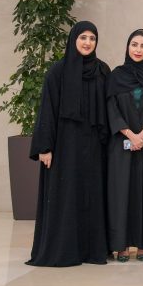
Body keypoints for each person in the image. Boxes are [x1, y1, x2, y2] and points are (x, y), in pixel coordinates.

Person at [27, 20, 110, 267]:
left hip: (94, 147)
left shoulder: (102, 71)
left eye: (92, 38)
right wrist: (45, 147)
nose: (87, 43)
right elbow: (47, 110)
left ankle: (91, 250)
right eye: (83, 37)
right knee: (66, 195)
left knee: (91, 195)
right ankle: (64, 250)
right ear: (73, 39)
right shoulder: (58, 72)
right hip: (65, 146)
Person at [105, 29, 143, 262]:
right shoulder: (116, 76)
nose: (138, 50)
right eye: (134, 44)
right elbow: (110, 108)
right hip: (121, 144)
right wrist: (130, 134)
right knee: (121, 193)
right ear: (127, 46)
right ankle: (121, 244)